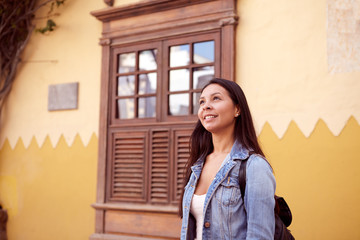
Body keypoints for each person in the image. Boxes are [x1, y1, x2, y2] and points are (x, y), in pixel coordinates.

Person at [179, 78, 276, 240]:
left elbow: (260, 236)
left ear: (237, 109)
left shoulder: (254, 166)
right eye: (202, 102)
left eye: (216, 98)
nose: (206, 106)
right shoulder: (197, 165)